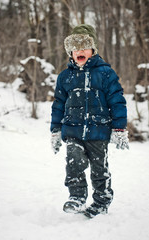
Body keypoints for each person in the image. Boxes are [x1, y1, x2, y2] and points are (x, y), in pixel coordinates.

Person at [50, 24, 129, 218]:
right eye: (75, 48)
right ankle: (77, 197)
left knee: (99, 170)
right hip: (73, 131)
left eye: (84, 47)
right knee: (73, 163)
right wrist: (55, 130)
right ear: (70, 52)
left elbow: (117, 100)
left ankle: (102, 202)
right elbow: (58, 104)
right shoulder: (65, 77)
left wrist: (119, 128)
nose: (80, 51)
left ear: (93, 50)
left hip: (98, 131)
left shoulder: (105, 74)